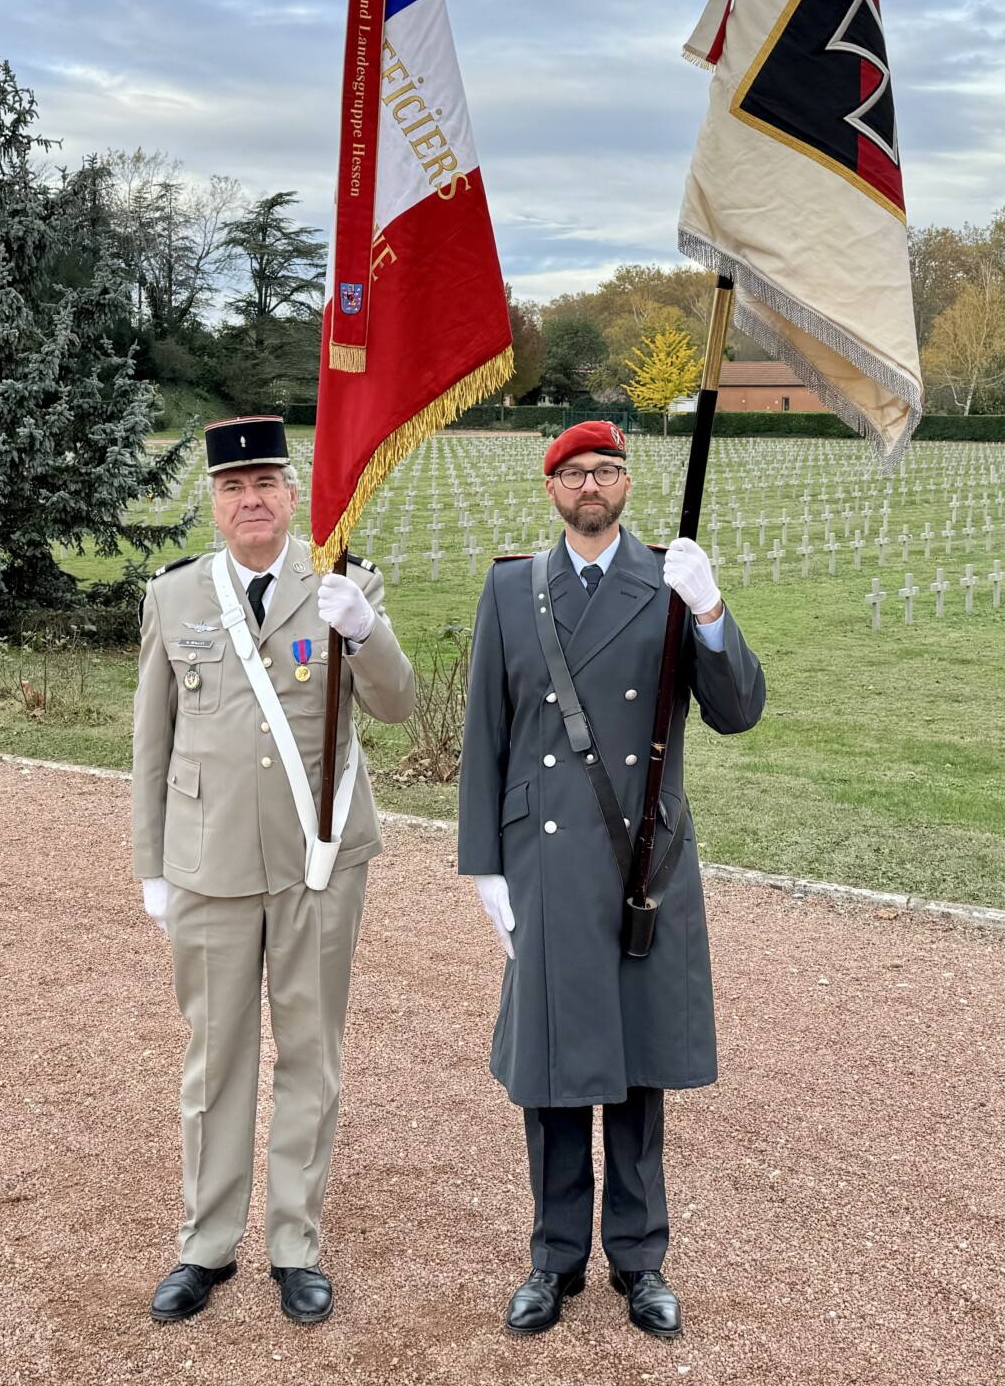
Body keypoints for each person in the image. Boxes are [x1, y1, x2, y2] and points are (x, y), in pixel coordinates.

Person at [458, 420, 765, 1341]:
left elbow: (739, 711)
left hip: (645, 861)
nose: (592, 485)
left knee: (636, 1068)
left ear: (627, 481)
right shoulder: (513, 586)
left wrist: (710, 615)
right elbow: (487, 728)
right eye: (574, 472)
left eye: (607, 470)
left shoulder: (669, 579)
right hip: (547, 863)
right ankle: (554, 1258)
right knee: (555, 1068)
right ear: (551, 487)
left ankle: (639, 1260)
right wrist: (484, 862)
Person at [132, 414, 414, 1327]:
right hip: (209, 865)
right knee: (214, 1060)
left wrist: (362, 627)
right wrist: (152, 866)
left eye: (266, 484)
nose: (250, 500)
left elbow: (399, 705)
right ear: (213, 503)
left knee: (309, 1053)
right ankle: (206, 1245)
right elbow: (151, 743)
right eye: (232, 487)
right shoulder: (174, 598)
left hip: (317, 863)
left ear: (293, 494)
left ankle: (294, 1242)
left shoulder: (342, 580)